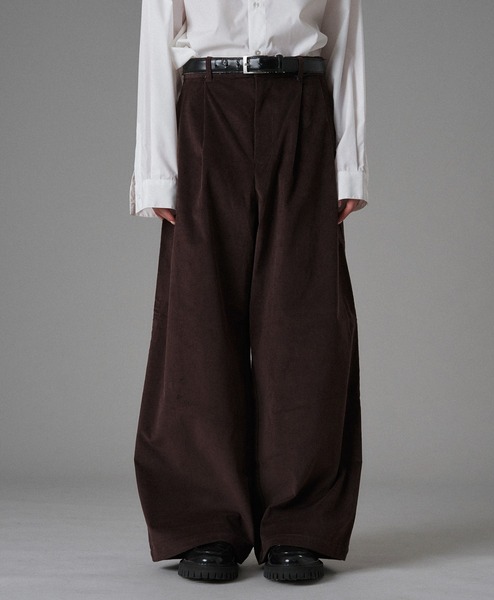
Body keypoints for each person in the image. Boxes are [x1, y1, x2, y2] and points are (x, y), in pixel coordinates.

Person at [129, 0, 368, 584]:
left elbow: (345, 39)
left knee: (305, 323)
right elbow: (157, 38)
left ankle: (298, 523)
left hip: (302, 108)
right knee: (197, 322)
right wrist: (156, 171)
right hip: (207, 110)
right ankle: (204, 521)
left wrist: (351, 165)